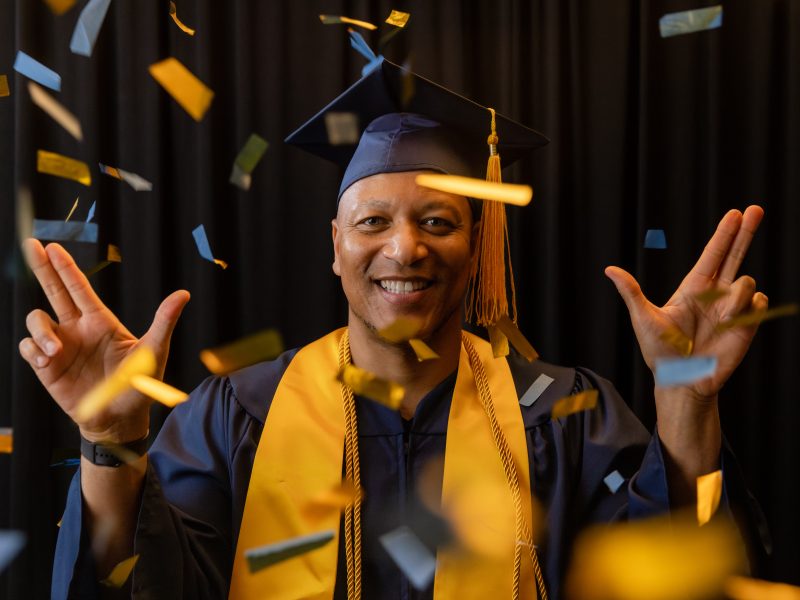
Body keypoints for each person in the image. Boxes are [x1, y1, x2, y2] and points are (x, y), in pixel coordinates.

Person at [21, 59, 767, 600]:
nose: (404, 248)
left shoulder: (567, 415)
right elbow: (132, 581)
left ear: (478, 248)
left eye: (438, 222)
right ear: (335, 248)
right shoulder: (237, 413)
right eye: (372, 222)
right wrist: (111, 442)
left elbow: (679, 574)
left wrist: (687, 400)